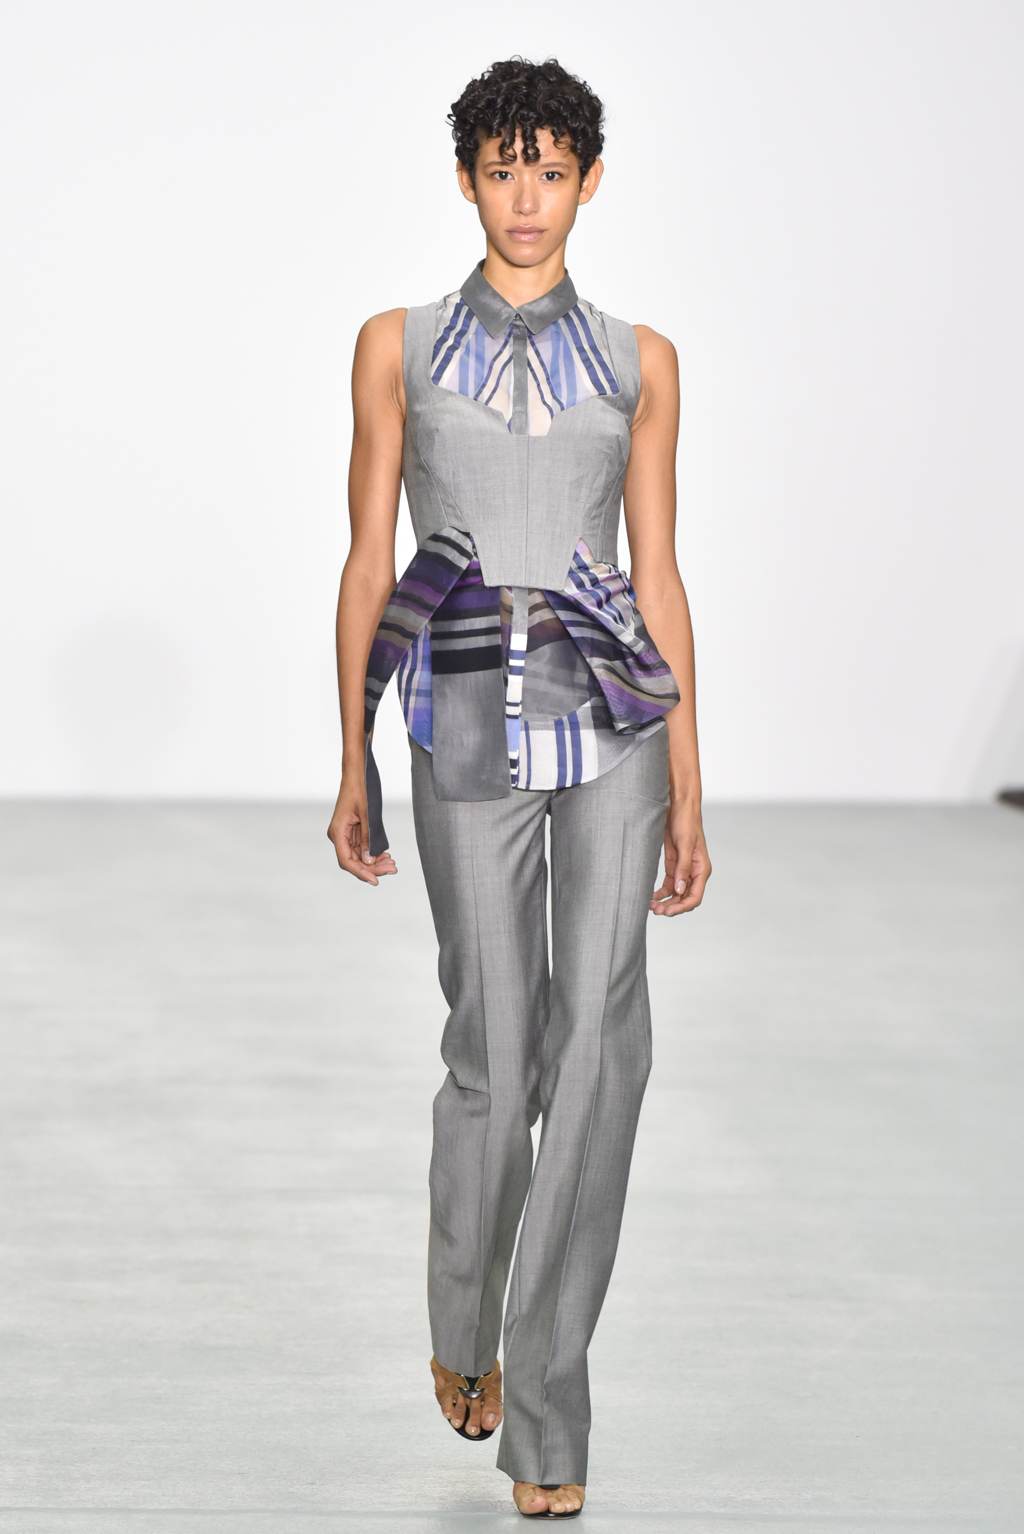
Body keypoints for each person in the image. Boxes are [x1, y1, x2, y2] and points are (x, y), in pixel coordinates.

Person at [328, 57, 710, 1521]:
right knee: (495, 1047)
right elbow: (369, 555)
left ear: (590, 181)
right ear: (468, 179)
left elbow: (658, 568)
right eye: (504, 170)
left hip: (613, 714)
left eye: (552, 171)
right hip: (460, 707)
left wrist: (690, 779)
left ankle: (547, 1404)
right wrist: (350, 751)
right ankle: (463, 1316)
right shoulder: (398, 346)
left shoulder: (642, 359)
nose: (527, 197)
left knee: (604, 1047)